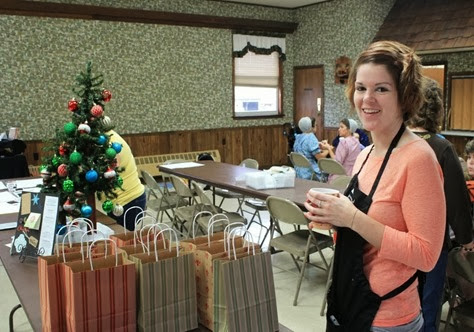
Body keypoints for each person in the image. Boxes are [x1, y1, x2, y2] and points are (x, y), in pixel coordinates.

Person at [304, 41, 446, 331]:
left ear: (404, 97)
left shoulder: (418, 159)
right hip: (347, 301)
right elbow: (365, 237)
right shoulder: (366, 154)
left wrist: (352, 217)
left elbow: (426, 255)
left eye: (381, 89)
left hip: (388, 317)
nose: (367, 99)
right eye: (360, 88)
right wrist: (334, 221)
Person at [406, 77, 474, 331]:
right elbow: (457, 203)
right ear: (437, 110)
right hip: (429, 243)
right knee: (428, 303)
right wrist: (467, 238)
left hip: (393, 237)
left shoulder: (393, 142)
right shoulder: (442, 148)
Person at [103, 117, 146, 231]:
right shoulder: (107, 136)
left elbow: (111, 169)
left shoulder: (109, 143)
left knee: (125, 239)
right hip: (120, 201)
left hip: (127, 201)